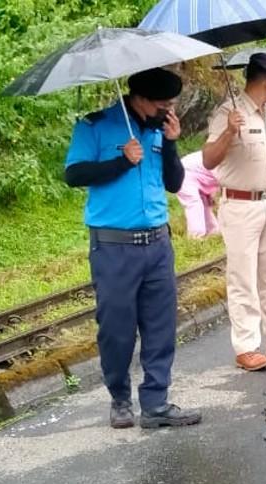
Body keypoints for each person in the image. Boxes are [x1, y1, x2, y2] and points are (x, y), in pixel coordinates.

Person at [63, 68, 202, 430]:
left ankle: (155, 404)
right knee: (116, 329)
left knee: (161, 326)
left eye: (171, 104)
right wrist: (121, 161)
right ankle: (120, 399)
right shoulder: (95, 126)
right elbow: (74, 175)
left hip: (157, 244)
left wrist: (171, 142)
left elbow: (175, 183)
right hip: (113, 247)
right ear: (139, 98)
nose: (168, 110)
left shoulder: (160, 130)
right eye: (162, 104)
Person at [202, 52, 266, 372]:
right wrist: (229, 132)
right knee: (243, 277)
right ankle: (246, 345)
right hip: (240, 205)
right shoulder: (228, 114)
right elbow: (208, 159)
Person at [176, 151, 220, 238]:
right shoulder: (224, 157)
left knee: (206, 205)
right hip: (185, 172)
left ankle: (213, 234)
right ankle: (196, 238)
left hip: (201, 175)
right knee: (194, 203)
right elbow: (224, 179)